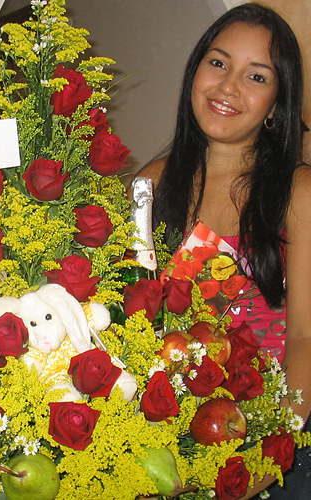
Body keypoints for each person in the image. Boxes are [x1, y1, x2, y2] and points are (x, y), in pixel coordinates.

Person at [134, 3, 311, 499]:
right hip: (174, 439)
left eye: (256, 76)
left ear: (278, 101)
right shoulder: (150, 185)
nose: (229, 87)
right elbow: (133, 326)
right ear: (195, 72)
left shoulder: (298, 192)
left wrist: (267, 455)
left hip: (273, 440)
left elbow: (304, 337)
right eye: (218, 63)